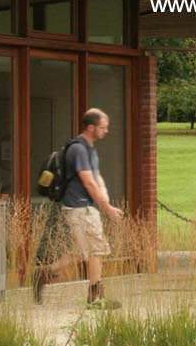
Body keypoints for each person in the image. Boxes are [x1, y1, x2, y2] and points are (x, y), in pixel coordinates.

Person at [32, 108, 125, 308]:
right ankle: (95, 298)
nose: (106, 131)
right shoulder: (79, 150)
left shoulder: (89, 148)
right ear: (91, 127)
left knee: (79, 251)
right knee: (96, 251)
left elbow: (96, 176)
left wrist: (105, 196)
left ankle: (43, 274)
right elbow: (88, 182)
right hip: (80, 207)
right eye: (103, 127)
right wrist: (107, 208)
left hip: (85, 207)